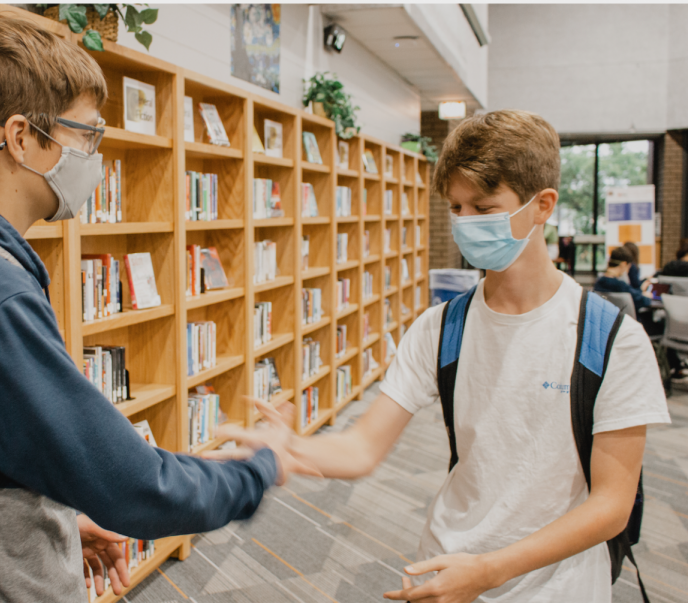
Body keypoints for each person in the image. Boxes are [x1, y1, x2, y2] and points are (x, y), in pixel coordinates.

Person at [0, 17, 309, 602]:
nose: (95, 155)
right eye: (87, 135)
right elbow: (139, 485)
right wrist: (258, 467)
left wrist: (58, 522)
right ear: (19, 137)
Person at [213, 110, 670, 602]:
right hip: (445, 571)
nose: (466, 224)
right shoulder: (441, 327)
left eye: (484, 207)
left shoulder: (611, 339)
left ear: (543, 206)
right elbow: (363, 446)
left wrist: (490, 570)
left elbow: (610, 506)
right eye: (455, 208)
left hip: (555, 585)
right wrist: (290, 449)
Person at [594, 246, 653, 312]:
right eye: (629, 267)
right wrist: (647, 296)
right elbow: (642, 300)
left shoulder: (598, 282)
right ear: (624, 264)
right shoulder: (620, 286)